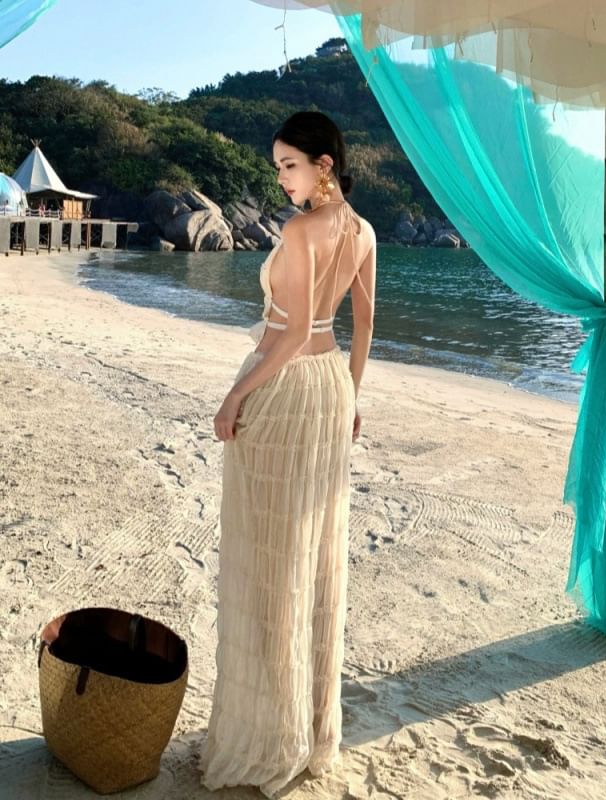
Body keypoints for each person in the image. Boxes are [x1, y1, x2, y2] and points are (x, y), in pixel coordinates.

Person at [200, 111, 376, 796]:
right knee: (311, 549)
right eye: (278, 167)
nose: (281, 178)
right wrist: (351, 394)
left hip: (286, 386)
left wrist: (234, 395)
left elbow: (294, 330)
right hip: (329, 386)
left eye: (289, 165)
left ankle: (269, 735)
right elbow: (364, 323)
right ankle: (305, 730)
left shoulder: (303, 231)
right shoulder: (363, 232)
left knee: (268, 555)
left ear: (324, 165)